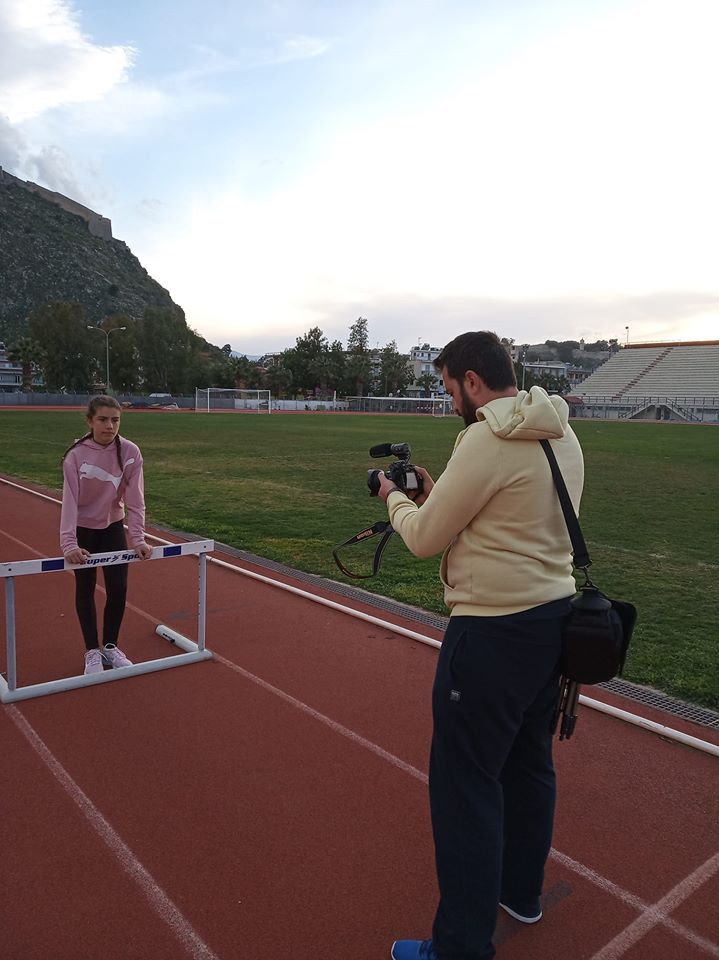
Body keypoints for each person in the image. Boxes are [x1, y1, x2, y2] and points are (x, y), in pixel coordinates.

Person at [379, 332, 584, 960]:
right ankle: (521, 892)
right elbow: (513, 517)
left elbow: (423, 539)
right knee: (528, 766)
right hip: (554, 626)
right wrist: (439, 489)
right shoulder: (562, 433)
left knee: (465, 787)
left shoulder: (485, 439)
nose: (449, 403)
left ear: (472, 380)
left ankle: (461, 947)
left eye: (447, 388)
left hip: (491, 634)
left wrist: (393, 499)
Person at [60, 395, 152, 676]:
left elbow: (136, 500)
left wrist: (137, 539)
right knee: (85, 588)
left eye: (115, 420)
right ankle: (92, 651)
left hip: (112, 526)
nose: (109, 426)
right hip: (83, 529)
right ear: (90, 421)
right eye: (102, 419)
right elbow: (69, 502)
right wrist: (69, 543)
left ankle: (110, 646)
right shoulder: (75, 455)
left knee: (118, 587)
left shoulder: (131, 453)